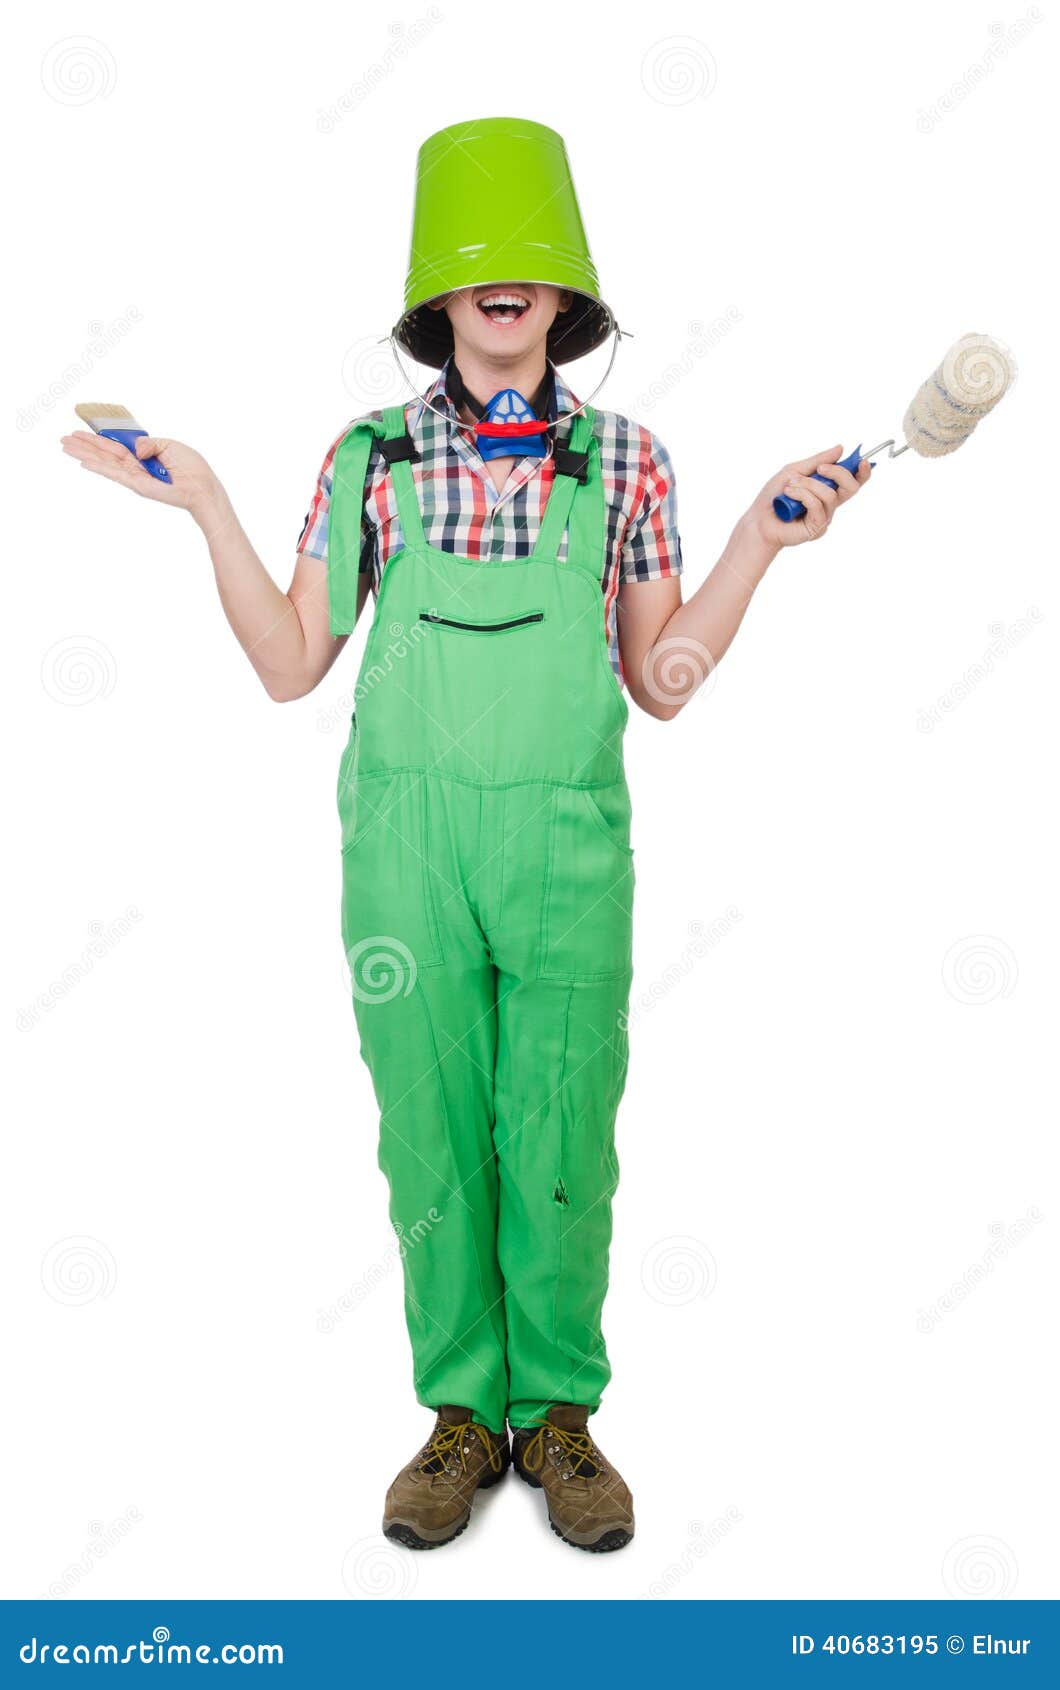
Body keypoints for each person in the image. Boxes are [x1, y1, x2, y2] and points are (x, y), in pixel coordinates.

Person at [60, 117, 870, 1555]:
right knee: (430, 1137)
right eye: (477, 264)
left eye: (531, 263)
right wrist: (205, 506)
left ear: (567, 296)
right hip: (406, 853)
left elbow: (664, 681)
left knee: (562, 1128)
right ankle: (458, 1416)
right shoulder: (370, 455)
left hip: (568, 851)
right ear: (437, 297)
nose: (504, 286)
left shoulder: (627, 461)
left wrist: (760, 534)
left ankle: (556, 1416)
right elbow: (292, 664)